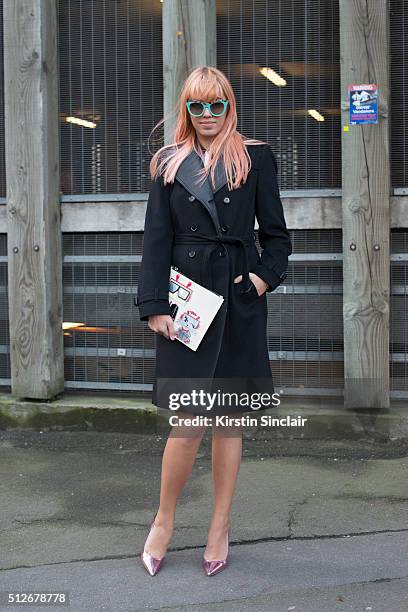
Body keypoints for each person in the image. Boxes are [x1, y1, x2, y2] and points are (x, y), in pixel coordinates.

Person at [135, 66, 292, 576]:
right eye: (197, 106)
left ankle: (220, 525)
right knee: (188, 424)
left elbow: (277, 236)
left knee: (228, 423)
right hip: (188, 307)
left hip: (239, 301)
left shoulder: (256, 158)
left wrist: (262, 279)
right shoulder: (166, 164)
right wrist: (155, 304)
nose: (207, 116)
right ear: (186, 110)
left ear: (229, 106)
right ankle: (163, 521)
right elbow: (156, 238)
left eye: (216, 105)